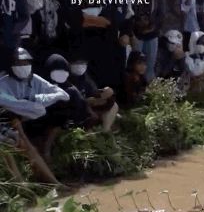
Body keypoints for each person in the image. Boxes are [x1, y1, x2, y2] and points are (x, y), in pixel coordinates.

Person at [0, 47, 67, 183]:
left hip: (14, 123)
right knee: (9, 152)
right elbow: (13, 104)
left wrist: (36, 99)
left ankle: (55, 183)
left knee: (30, 148)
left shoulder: (34, 79)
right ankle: (23, 190)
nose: (23, 66)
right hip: (11, 123)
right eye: (19, 64)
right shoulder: (3, 83)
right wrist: (33, 105)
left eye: (25, 63)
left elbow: (63, 94)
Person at [67, 55, 117, 131]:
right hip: (75, 112)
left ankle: (105, 131)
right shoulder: (66, 79)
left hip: (89, 107)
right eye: (77, 63)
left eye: (83, 63)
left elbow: (94, 92)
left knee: (114, 105)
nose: (80, 66)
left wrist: (104, 91)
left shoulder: (85, 77)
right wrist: (88, 103)